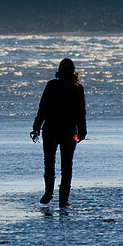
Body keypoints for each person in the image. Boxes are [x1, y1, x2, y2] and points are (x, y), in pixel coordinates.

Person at [31, 58, 87, 208]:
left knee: (49, 162)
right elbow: (81, 112)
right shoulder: (77, 88)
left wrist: (36, 127)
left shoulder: (51, 85)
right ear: (73, 71)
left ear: (59, 70)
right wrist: (82, 131)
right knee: (67, 166)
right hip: (69, 131)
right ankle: (63, 200)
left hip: (50, 128)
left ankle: (48, 193)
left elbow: (42, 108)